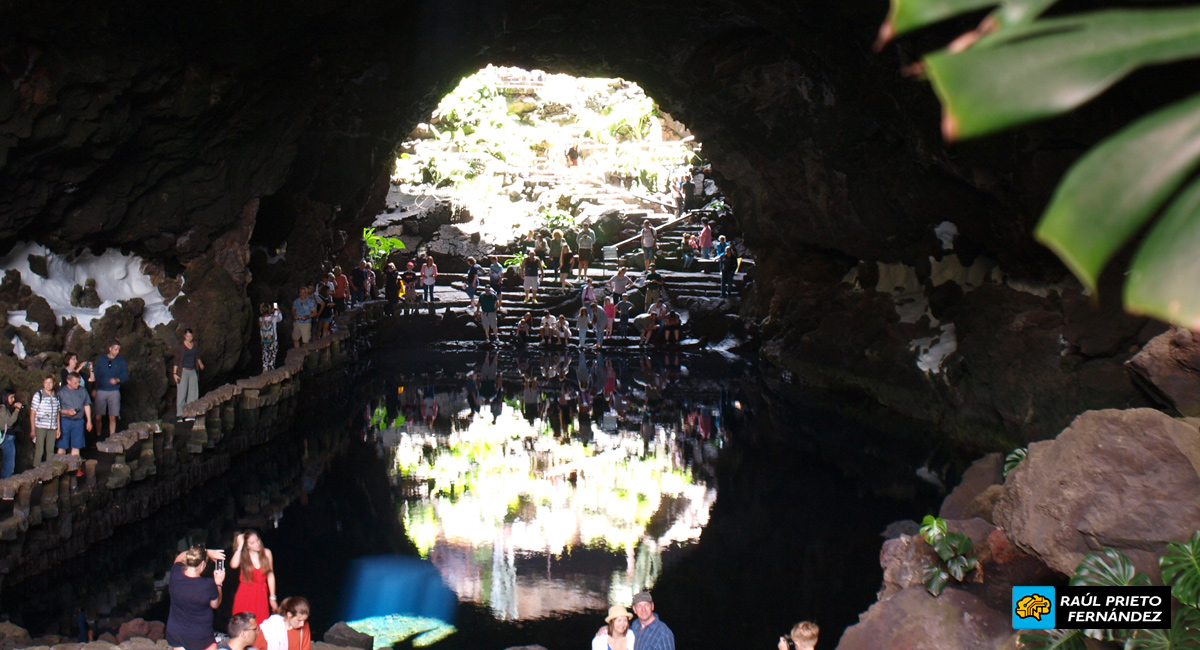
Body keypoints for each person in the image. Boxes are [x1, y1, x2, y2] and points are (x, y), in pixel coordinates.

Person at [165, 545, 226, 650]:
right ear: (202, 564)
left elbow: (179, 557)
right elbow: (215, 604)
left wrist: (206, 551)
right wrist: (218, 583)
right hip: (200, 636)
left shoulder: (175, 573)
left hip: (175, 633)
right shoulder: (207, 584)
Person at [231, 531, 277, 626]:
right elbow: (233, 565)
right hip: (245, 594)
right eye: (252, 543)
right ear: (247, 545)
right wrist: (240, 546)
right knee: (242, 626)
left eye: (257, 540)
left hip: (261, 595)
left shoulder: (267, 553)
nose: (257, 544)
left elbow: (270, 575)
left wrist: (272, 597)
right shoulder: (244, 556)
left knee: (261, 626)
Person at [93, 341, 128, 439]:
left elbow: (126, 376)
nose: (117, 352)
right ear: (110, 349)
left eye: (118, 350)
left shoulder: (121, 361)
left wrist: (117, 380)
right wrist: (94, 388)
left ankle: (112, 437)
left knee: (113, 416)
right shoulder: (102, 360)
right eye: (115, 349)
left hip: (114, 391)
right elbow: (96, 375)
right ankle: (98, 435)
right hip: (101, 390)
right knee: (97, 416)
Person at [57, 372, 92, 466]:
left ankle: (75, 469)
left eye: (79, 382)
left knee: (76, 446)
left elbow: (86, 405)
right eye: (75, 382)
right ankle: (60, 467)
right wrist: (67, 412)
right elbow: (56, 410)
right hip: (65, 421)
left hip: (79, 421)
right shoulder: (61, 393)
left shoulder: (83, 390)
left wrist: (89, 421)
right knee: (62, 446)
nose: (78, 384)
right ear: (68, 381)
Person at [174, 329, 205, 419]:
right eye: (187, 336)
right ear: (184, 336)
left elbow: (197, 356)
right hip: (183, 371)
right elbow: (176, 361)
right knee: (182, 393)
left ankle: (191, 412)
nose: (189, 338)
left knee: (193, 392)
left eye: (191, 336)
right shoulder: (181, 347)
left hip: (192, 371)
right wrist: (175, 373)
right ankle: (180, 414)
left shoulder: (195, 344)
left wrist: (200, 364)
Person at [29, 374, 60, 464]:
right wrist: (33, 429)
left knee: (50, 450)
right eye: (46, 382)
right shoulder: (38, 395)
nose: (48, 385)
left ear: (54, 383)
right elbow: (32, 413)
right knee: (40, 450)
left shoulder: (56, 396)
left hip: (52, 427)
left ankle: (49, 472)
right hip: (40, 426)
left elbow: (57, 413)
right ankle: (36, 472)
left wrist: (58, 428)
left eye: (50, 382)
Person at [1, 390, 24, 479]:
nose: (13, 399)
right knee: (9, 465)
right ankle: (5, 484)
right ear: (5, 398)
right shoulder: (2, 409)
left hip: (9, 437)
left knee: (8, 463)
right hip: (7, 438)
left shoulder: (6, 409)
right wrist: (17, 410)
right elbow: (10, 422)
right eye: (11, 397)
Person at [259, 304, 283, 373]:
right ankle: (271, 371)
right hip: (273, 341)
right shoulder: (274, 318)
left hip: (264, 341)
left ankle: (265, 370)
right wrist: (277, 309)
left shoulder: (260, 319)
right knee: (272, 357)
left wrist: (270, 312)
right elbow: (280, 318)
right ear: (269, 310)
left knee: (265, 357)